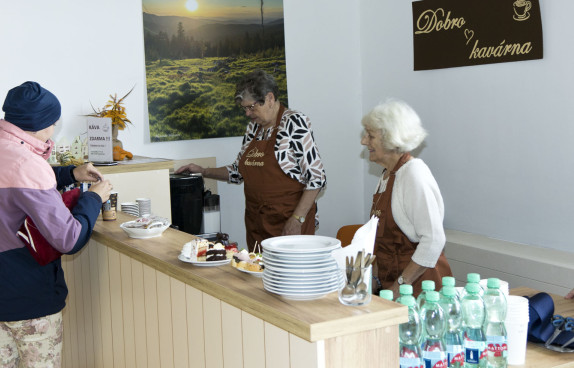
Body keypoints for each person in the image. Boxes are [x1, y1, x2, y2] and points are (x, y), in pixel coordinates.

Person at [0, 81, 112, 368]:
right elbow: (70, 237)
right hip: (29, 299)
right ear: (43, 122)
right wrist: (95, 197)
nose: (53, 130)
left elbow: (19, 189)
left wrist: (69, 174)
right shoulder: (25, 164)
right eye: (53, 123)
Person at [176, 70, 325, 250]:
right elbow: (238, 172)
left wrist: (297, 219)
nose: (247, 113)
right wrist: (204, 171)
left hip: (289, 224)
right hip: (257, 224)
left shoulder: (294, 123)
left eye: (251, 107)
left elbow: (317, 178)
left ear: (270, 98)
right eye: (244, 108)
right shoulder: (253, 128)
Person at [361, 99, 452, 297]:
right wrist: (375, 280)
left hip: (421, 290)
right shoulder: (387, 175)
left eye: (370, 136)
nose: (364, 141)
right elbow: (384, 241)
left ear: (391, 139)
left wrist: (400, 285)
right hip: (393, 284)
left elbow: (434, 240)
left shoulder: (413, 174)